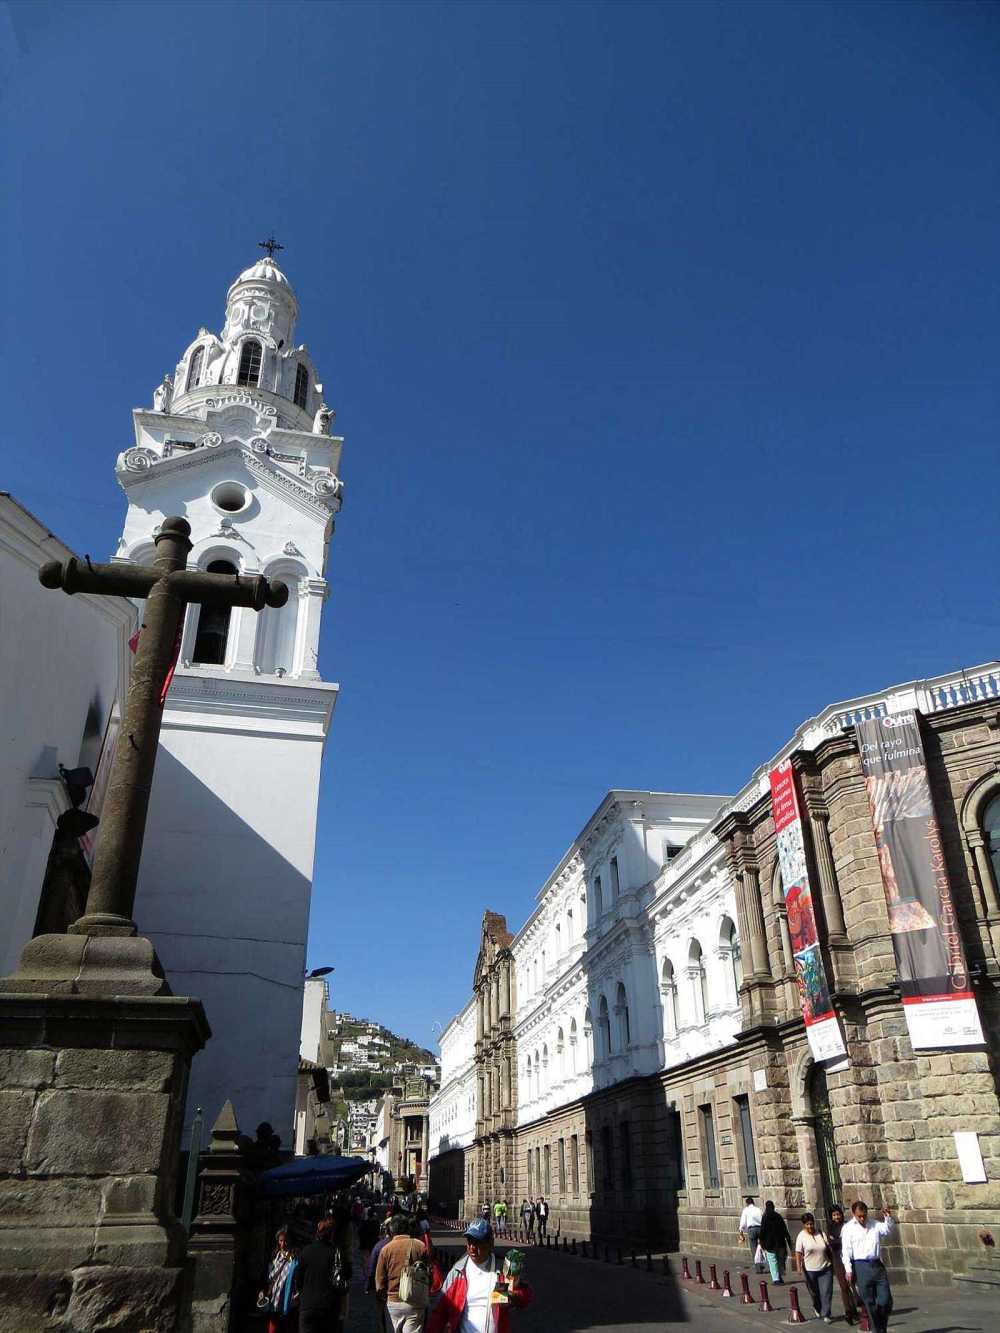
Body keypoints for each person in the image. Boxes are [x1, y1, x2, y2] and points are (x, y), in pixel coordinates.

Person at [426, 1218, 533, 1333]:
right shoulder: (458, 1272)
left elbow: (525, 1296)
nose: (472, 1247)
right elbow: (439, 1311)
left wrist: (514, 1296)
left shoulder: (501, 1271)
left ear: (490, 1244)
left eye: (477, 1242)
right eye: (469, 1241)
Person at [841, 1201, 896, 1333]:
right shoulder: (848, 1228)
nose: (862, 1218)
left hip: (877, 1265)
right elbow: (846, 1251)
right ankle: (879, 1330)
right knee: (869, 1302)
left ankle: (880, 1324)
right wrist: (848, 1270)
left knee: (885, 1300)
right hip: (861, 1266)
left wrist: (888, 1217)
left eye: (864, 1215)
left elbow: (887, 1229)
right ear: (853, 1214)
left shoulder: (874, 1224)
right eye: (859, 1216)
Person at [294, 1216, 352, 1333]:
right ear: (332, 1234)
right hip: (329, 1307)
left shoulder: (306, 1251)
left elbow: (298, 1278)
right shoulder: (337, 1253)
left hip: (308, 1306)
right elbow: (347, 1274)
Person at [376, 1215, 430, 1333]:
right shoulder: (420, 1246)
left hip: (393, 1302)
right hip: (415, 1300)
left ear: (391, 1230)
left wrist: (384, 1297)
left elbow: (379, 1281)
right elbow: (427, 1273)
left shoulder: (386, 1249)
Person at [794, 1212, 834, 1322]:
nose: (810, 1226)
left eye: (811, 1224)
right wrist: (798, 1267)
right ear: (804, 1225)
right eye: (807, 1224)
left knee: (826, 1292)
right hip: (810, 1270)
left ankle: (826, 1314)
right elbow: (798, 1252)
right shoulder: (801, 1236)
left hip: (825, 1267)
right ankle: (817, 1307)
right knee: (815, 1293)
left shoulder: (820, 1233)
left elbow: (828, 1246)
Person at [259, 1228, 298, 1333]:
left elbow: (297, 1278)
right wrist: (262, 1290)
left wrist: (297, 1292)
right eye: (281, 1241)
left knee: (285, 1327)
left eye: (285, 1241)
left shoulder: (294, 1258)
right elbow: (268, 1277)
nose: (283, 1244)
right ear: (278, 1241)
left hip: (287, 1299)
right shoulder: (274, 1256)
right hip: (274, 1297)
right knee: (272, 1326)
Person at [827, 1206, 859, 1324]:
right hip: (838, 1260)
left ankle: (855, 1309)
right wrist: (839, 1240)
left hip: (850, 1258)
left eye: (838, 1214)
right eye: (834, 1215)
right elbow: (831, 1243)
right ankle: (848, 1312)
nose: (836, 1217)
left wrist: (837, 1240)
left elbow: (849, 1241)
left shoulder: (846, 1226)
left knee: (852, 1284)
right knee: (844, 1287)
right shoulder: (830, 1228)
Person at [759, 1199, 793, 1284]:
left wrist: (761, 1242)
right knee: (780, 1260)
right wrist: (788, 1240)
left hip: (769, 1244)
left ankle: (776, 1278)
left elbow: (762, 1231)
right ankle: (780, 1276)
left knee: (772, 1260)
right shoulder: (778, 1216)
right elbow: (784, 1229)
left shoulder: (765, 1217)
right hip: (780, 1242)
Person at [738, 1196, 764, 1273]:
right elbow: (762, 1219)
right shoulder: (758, 1209)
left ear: (747, 1203)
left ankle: (758, 1268)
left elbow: (743, 1222)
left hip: (751, 1229)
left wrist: (741, 1232)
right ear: (753, 1202)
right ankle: (762, 1264)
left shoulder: (746, 1210)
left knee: (754, 1249)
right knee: (762, 1247)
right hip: (760, 1228)